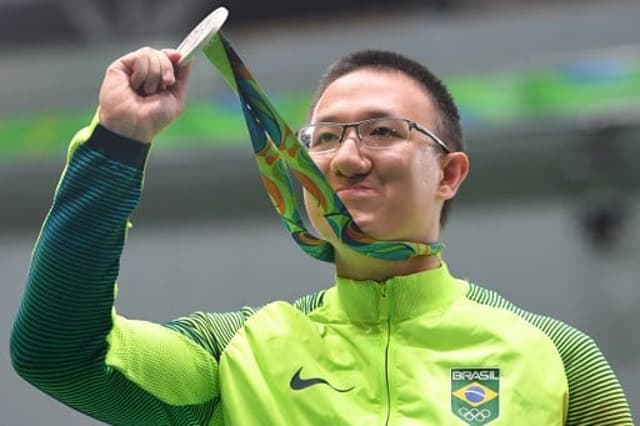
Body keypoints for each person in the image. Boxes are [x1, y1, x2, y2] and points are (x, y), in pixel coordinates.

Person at [10, 46, 633, 425]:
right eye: (325, 137)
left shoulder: (558, 358)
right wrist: (119, 141)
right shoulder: (235, 356)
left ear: (448, 173)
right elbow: (60, 355)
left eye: (383, 131)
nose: (347, 158)